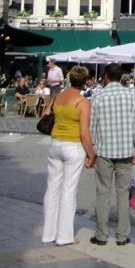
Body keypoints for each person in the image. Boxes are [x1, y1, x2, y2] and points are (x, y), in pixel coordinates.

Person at [90, 63, 135, 247]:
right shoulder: (130, 96)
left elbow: (92, 127)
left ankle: (101, 235)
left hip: (104, 151)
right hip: (125, 151)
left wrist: (91, 151)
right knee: (123, 194)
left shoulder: (98, 96)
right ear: (121, 76)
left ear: (106, 76)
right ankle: (122, 236)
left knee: (102, 193)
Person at [41, 66, 96, 246]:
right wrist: (91, 154)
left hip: (55, 143)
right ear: (86, 81)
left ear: (69, 79)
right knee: (68, 191)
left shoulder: (58, 96)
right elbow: (84, 134)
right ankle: (64, 236)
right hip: (73, 147)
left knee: (52, 188)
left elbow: (45, 113)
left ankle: (48, 233)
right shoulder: (82, 102)